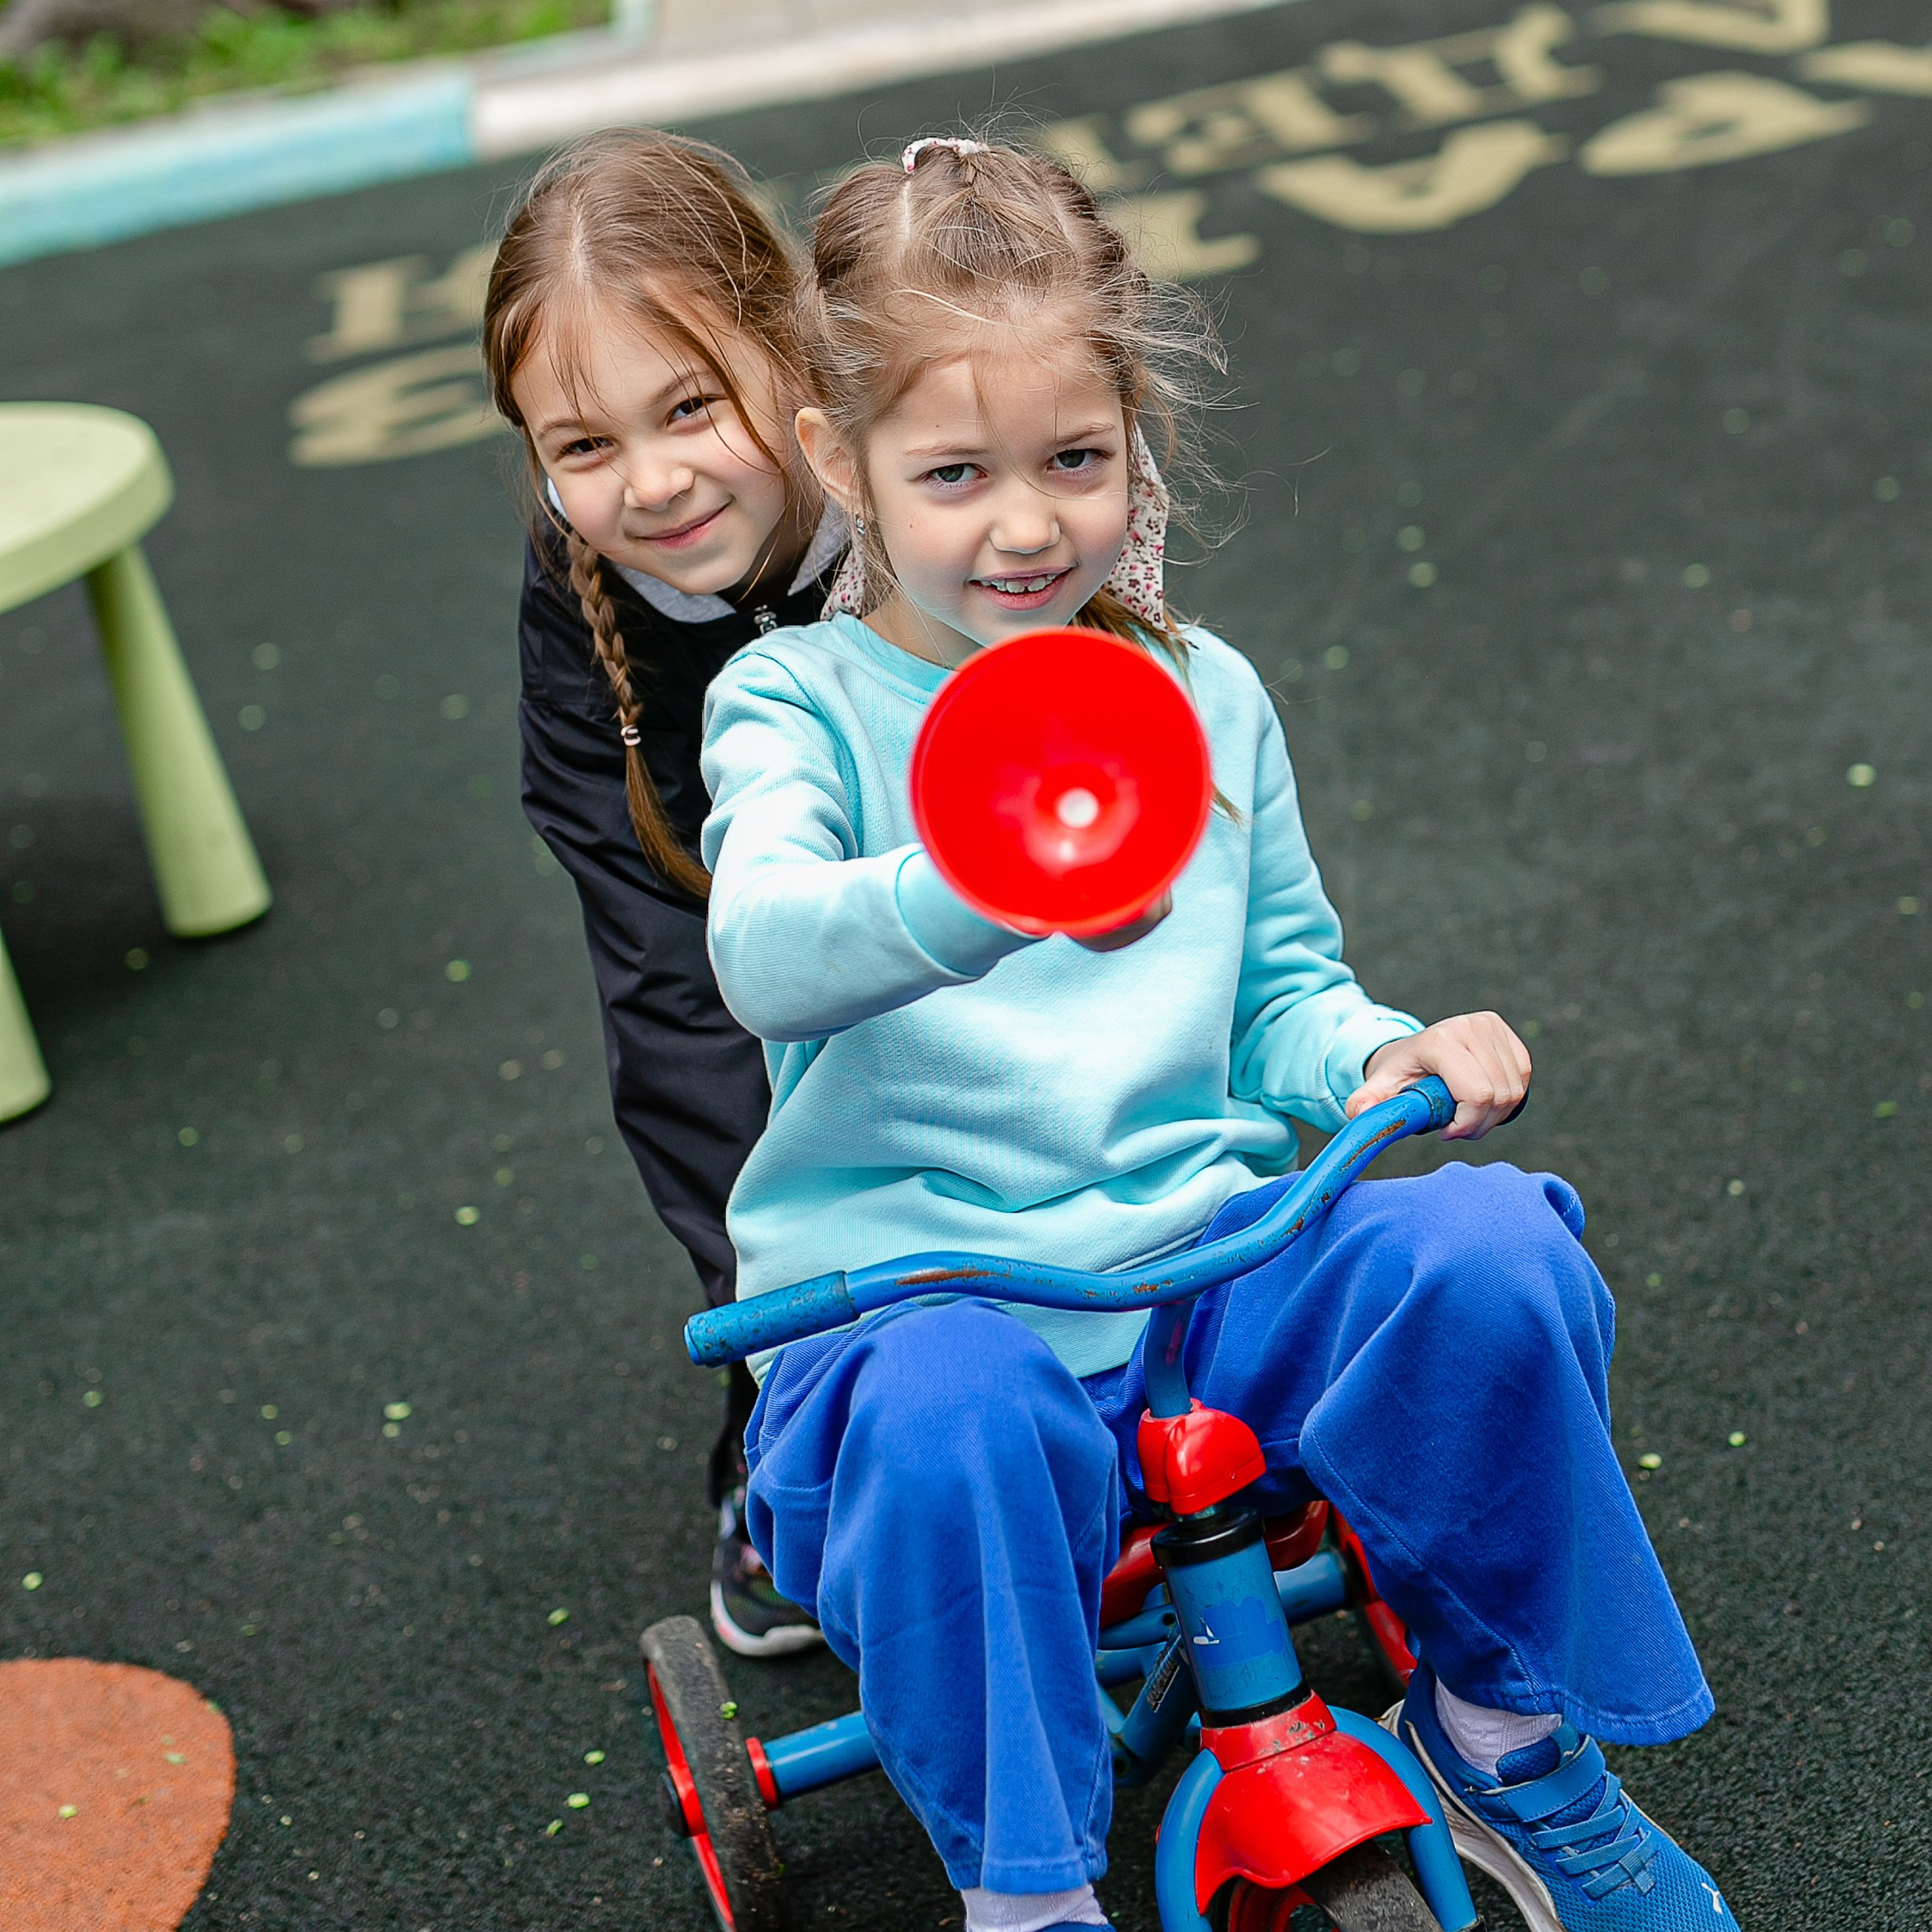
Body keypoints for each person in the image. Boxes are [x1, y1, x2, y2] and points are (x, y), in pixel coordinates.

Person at [698, 137, 1742, 1932]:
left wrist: (1380, 1055)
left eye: (1074, 460)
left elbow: (1276, 991)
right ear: (833, 460)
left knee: (1486, 1249)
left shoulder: (1197, 691)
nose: (1024, 525)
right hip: (925, 1296)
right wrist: (978, 880)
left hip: (1204, 1249)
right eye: (952, 473)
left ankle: (1494, 1728)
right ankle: (1024, 1896)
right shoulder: (793, 701)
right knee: (954, 1414)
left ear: (1134, 443)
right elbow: (766, 955)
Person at [481, 128, 831, 1658]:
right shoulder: (581, 613)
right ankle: (786, 1421)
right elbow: (664, 988)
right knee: (720, 1072)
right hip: (753, 963)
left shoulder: (934, 496)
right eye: (583, 447)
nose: (652, 480)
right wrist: (773, 1308)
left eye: (688, 404)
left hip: (975, 918)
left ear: (787, 340)